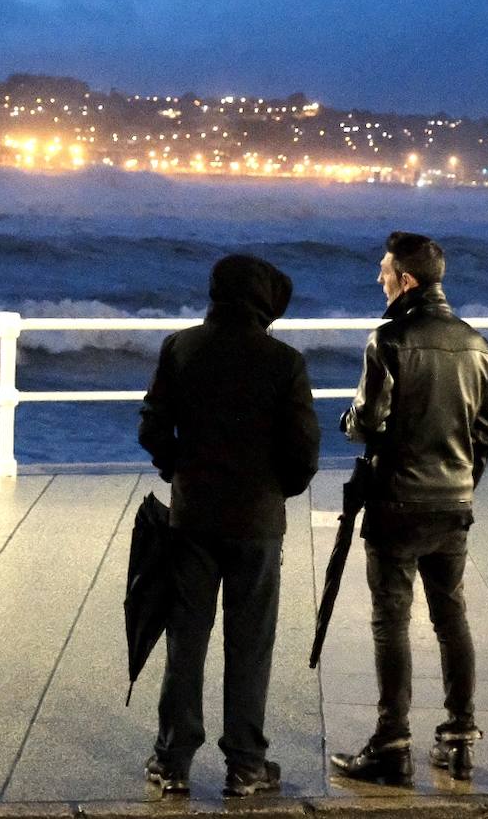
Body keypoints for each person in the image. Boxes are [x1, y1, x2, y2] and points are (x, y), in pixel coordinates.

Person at [138, 255, 320, 798]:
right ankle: (245, 764)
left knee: (186, 639)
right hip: (257, 522)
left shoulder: (181, 347)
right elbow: (305, 450)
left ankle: (173, 761)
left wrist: (179, 469)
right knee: (251, 642)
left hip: (192, 517)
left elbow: (152, 426)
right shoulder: (285, 361)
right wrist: (276, 490)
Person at [331, 232, 488, 783]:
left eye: (384, 272)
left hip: (397, 503)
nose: (378, 280)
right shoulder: (478, 345)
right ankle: (459, 738)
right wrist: (459, 482)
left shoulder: (388, 340)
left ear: (406, 280)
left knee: (391, 622)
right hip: (453, 504)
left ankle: (391, 742)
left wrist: (348, 423)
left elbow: (369, 421)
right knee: (452, 618)